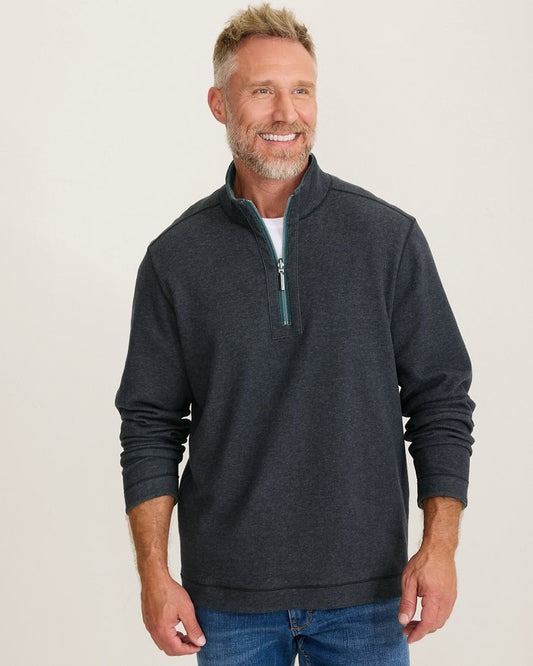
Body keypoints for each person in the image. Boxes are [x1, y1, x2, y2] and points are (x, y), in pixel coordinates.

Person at [114, 4, 476, 664]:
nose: (287, 113)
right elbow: (149, 425)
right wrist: (154, 575)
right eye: (262, 91)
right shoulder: (175, 258)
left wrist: (440, 546)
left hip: (371, 595)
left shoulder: (387, 238)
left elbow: (441, 399)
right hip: (227, 603)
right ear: (219, 104)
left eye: (301, 90)